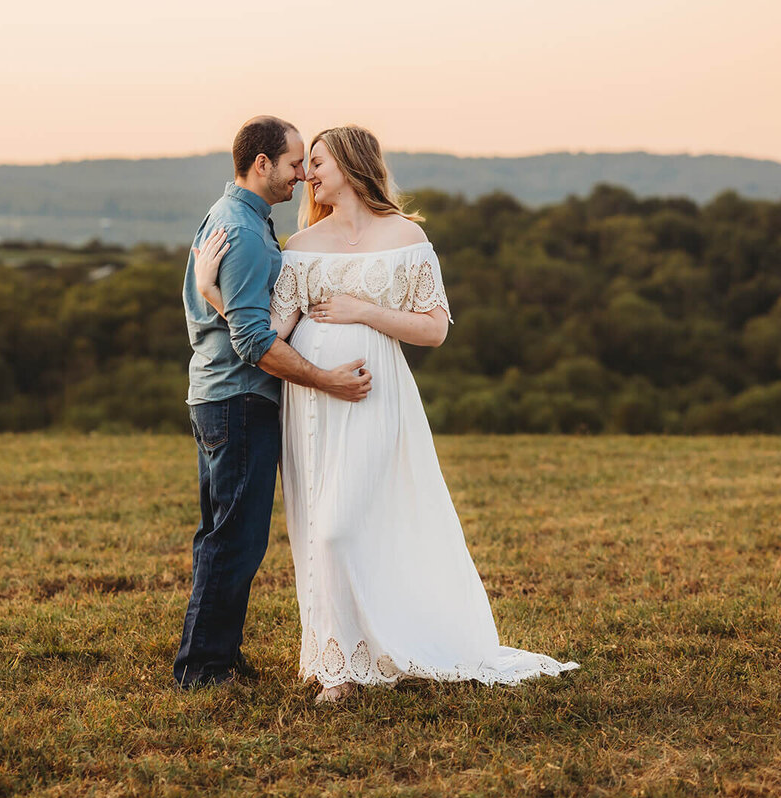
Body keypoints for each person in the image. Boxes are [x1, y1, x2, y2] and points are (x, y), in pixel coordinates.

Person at [194, 124, 578, 703]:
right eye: (304, 164)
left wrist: (363, 310)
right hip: (313, 407)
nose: (308, 175)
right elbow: (267, 334)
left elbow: (434, 328)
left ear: (351, 164)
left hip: (378, 396)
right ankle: (339, 667)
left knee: (351, 525)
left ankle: (392, 637)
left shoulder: (408, 238)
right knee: (323, 529)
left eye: (317, 162)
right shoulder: (299, 248)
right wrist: (213, 293)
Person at [175, 116, 373, 689]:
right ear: (261, 164)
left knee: (224, 533)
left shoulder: (236, 219)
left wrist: (212, 293)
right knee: (235, 538)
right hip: (239, 400)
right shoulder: (241, 231)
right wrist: (326, 380)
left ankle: (217, 654)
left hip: (219, 397)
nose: (300, 177)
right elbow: (255, 342)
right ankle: (203, 668)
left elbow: (224, 312)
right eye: (292, 165)